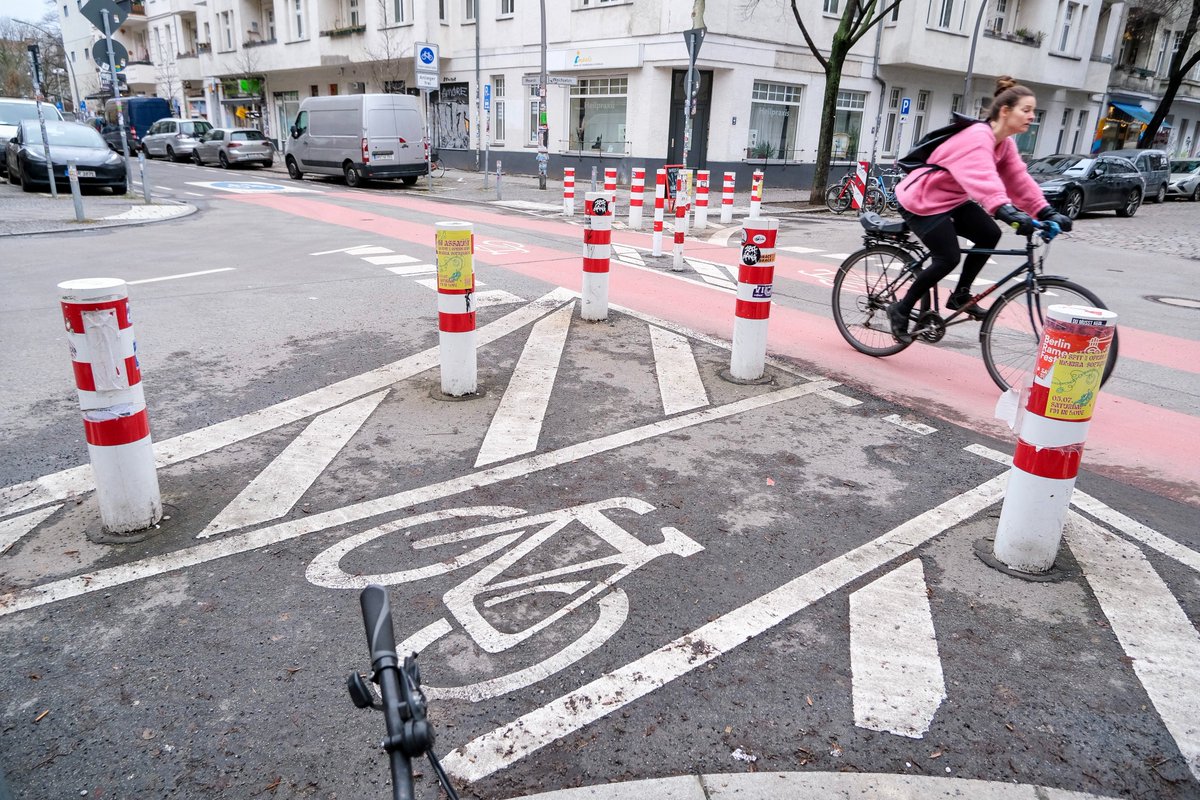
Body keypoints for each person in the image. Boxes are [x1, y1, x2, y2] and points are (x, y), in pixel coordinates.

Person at [889, 76, 1074, 343]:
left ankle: (960, 295)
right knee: (947, 257)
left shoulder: (1005, 143)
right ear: (1005, 111)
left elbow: (1018, 180)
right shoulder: (977, 137)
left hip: (951, 199)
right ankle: (901, 308)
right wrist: (1005, 211)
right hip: (923, 200)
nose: (1032, 116)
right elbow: (983, 178)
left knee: (989, 234)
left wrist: (1045, 212)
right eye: (1027, 110)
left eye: (1033, 111)